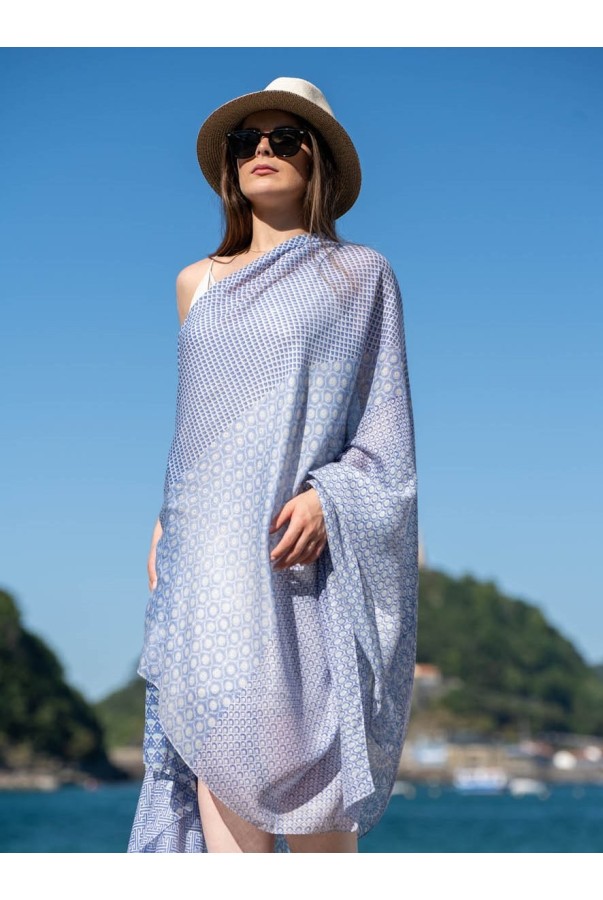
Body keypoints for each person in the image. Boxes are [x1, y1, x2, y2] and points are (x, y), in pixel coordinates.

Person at [127, 77, 419, 854]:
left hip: (301, 568)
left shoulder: (358, 275)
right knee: (225, 795)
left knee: (318, 802)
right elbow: (200, 427)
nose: (262, 149)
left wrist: (331, 497)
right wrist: (163, 522)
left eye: (284, 138)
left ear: (315, 158)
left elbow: (386, 430)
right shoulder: (196, 283)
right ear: (229, 164)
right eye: (245, 140)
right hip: (207, 567)